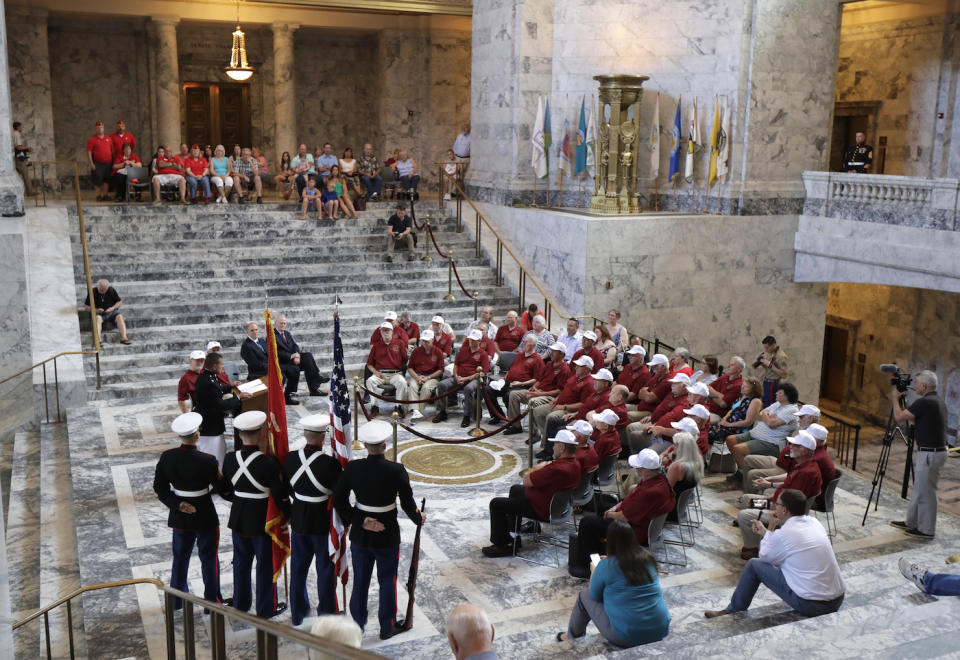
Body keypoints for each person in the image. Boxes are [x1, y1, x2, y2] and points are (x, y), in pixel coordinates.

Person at [332, 419, 425, 640]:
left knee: (361, 581)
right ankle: (386, 626)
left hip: (361, 535)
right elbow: (406, 502)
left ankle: (357, 627)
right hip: (387, 533)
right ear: (385, 447)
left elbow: (339, 500)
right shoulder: (397, 470)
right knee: (387, 580)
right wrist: (418, 517)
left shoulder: (353, 468)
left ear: (365, 446)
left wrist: (360, 520)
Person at [705, 489, 845, 619]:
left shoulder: (784, 534)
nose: (774, 507)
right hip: (837, 599)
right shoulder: (814, 522)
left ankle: (734, 610)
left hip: (813, 606)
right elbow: (784, 544)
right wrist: (766, 533)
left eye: (777, 504)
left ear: (784, 510)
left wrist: (770, 527)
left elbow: (765, 557)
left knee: (753, 565)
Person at [153, 412, 230, 610]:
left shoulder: (167, 457)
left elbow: (160, 488)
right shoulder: (208, 460)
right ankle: (212, 602)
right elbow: (222, 488)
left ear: (180, 436)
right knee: (208, 558)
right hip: (204, 513)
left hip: (180, 515)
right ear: (197, 436)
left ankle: (177, 600)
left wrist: (178, 504)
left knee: (180, 557)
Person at [560, 519, 670, 648]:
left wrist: (594, 572)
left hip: (627, 637)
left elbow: (593, 595)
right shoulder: (648, 558)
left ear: (608, 541)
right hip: (660, 630)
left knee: (583, 597)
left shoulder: (607, 566)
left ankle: (572, 638)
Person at [222, 411, 289, 618]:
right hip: (263, 521)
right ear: (261, 435)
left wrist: (242, 500)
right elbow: (279, 496)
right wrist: (290, 515)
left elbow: (225, 490)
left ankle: (241, 603)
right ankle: (265, 608)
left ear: (240, 435)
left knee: (241, 563)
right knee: (265, 566)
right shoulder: (269, 464)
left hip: (239, 519)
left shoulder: (229, 459)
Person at [568, 448, 675, 578]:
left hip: (633, 530)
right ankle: (602, 548)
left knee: (587, 523)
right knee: (602, 506)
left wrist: (610, 514)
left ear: (644, 470)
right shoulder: (658, 479)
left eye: (638, 467)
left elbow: (624, 517)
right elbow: (632, 496)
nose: (636, 469)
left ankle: (587, 565)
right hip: (639, 521)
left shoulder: (651, 492)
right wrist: (615, 508)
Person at [482, 432, 581, 558]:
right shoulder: (576, 464)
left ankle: (501, 545)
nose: (552, 447)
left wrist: (542, 467)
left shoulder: (556, 469)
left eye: (555, 444)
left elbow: (527, 481)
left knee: (496, 504)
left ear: (562, 448)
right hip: (559, 506)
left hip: (542, 509)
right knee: (516, 489)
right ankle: (513, 536)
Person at [284, 415, 342, 625]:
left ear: (305, 435)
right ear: (323, 438)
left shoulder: (289, 458)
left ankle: (298, 613)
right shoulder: (330, 464)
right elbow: (338, 493)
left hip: (298, 516)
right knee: (324, 569)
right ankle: (326, 612)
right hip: (321, 520)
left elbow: (288, 488)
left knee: (298, 567)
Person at [735, 431, 822, 559]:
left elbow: (791, 504)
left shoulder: (806, 473)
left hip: (782, 512)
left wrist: (771, 502)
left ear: (805, 451)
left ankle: (752, 548)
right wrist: (770, 488)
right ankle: (755, 536)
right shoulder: (803, 465)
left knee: (744, 514)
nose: (790, 447)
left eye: (795, 445)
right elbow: (788, 485)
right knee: (747, 499)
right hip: (779, 504)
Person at [890, 370, 948, 540]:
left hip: (931, 453)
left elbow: (899, 417)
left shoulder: (925, 403)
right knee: (920, 490)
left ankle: (927, 530)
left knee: (927, 492)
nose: (913, 387)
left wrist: (895, 398)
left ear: (924, 386)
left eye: (916, 384)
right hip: (933, 452)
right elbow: (920, 420)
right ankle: (912, 522)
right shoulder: (937, 401)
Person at [725, 382, 800, 476]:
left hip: (770, 442)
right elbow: (758, 415)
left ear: (787, 396)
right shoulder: (777, 404)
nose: (776, 393)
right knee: (730, 439)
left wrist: (766, 415)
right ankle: (742, 470)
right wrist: (768, 416)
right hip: (755, 434)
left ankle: (743, 475)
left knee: (738, 449)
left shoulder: (791, 410)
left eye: (780, 393)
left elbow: (770, 423)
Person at [194, 352, 249, 469]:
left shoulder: (208, 376)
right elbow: (221, 405)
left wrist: (230, 385)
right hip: (210, 427)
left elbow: (217, 389)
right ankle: (215, 483)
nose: (222, 367)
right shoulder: (208, 381)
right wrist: (239, 397)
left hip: (212, 423)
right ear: (214, 366)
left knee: (220, 453)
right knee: (215, 458)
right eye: (221, 365)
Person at [433, 329, 491, 427]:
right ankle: (442, 412)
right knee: (441, 385)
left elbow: (482, 373)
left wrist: (466, 378)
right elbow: (456, 365)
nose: (471, 341)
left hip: (474, 379)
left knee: (468, 388)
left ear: (479, 341)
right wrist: (456, 376)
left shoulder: (483, 354)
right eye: (470, 339)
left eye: (474, 340)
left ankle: (467, 416)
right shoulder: (463, 350)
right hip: (459, 377)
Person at [486, 335, 543, 422]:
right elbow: (511, 369)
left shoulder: (537, 359)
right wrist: (504, 378)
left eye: (526, 342)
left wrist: (520, 383)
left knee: (508, 395)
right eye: (523, 341)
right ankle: (498, 415)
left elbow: (537, 379)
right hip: (509, 382)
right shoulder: (520, 355)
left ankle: (512, 421)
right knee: (488, 390)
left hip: (522, 386)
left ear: (533, 345)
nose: (523, 344)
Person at [275, 315, 327, 403]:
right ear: (276, 323)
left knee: (308, 356)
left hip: (293, 357)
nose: (283, 325)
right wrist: (291, 356)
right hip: (283, 361)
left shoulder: (287, 333)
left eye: (284, 323)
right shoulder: (272, 336)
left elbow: (295, 345)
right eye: (281, 323)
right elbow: (275, 352)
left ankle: (314, 388)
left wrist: (297, 355)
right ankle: (287, 395)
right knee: (294, 369)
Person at [366, 322, 409, 417]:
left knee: (402, 383)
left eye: (388, 330)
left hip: (395, 374)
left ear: (392, 331)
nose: (385, 332)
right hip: (380, 374)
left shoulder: (400, 343)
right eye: (383, 330)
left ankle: (399, 406)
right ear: (380, 332)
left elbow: (405, 359)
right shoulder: (376, 346)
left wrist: (401, 371)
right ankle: (374, 406)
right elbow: (369, 364)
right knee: (370, 381)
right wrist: (375, 372)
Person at [406, 329, 445, 420]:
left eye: (427, 341)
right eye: (423, 341)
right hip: (418, 375)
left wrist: (428, 377)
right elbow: (410, 367)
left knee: (426, 387)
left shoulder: (438, 352)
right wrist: (417, 377)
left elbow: (441, 370)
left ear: (432, 340)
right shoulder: (416, 351)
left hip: (432, 377)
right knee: (412, 385)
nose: (425, 343)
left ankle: (419, 411)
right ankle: (416, 411)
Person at [84, 278, 131, 344]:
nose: (103, 291)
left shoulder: (111, 290)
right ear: (98, 287)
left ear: (107, 287)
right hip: (99, 314)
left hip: (111, 312)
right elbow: (86, 307)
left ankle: (124, 338)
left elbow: (119, 302)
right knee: (97, 319)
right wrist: (96, 310)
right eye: (101, 289)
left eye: (104, 290)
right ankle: (98, 340)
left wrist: (112, 308)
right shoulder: (93, 291)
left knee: (120, 317)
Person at [754, 335, 789, 406]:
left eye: (767, 348)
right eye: (765, 348)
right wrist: (764, 365)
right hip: (766, 382)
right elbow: (771, 369)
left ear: (773, 345)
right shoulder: (771, 353)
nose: (766, 350)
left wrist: (770, 365)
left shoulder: (781, 356)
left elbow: (784, 374)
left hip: (773, 384)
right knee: (763, 403)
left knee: (769, 406)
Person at [87, 120, 114, 201]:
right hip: (97, 163)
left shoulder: (108, 138)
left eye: (101, 127)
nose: (100, 129)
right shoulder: (92, 140)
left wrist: (113, 161)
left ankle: (105, 195)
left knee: (107, 180)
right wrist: (91, 163)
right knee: (97, 180)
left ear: (103, 128)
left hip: (108, 163)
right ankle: (99, 196)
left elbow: (112, 151)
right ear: (96, 129)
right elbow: (89, 152)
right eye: (98, 128)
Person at [12, 122, 34, 196]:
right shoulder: (17, 134)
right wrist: (27, 147)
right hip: (19, 158)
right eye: (21, 127)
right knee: (25, 175)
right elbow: (18, 147)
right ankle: (30, 192)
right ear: (18, 127)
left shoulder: (14, 133)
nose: (22, 128)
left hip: (16, 157)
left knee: (18, 175)